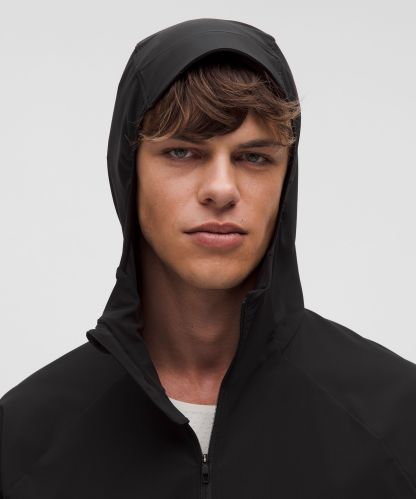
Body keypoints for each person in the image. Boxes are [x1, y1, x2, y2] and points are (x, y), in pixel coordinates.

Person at [1, 17, 415, 499]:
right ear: (129, 173)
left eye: (254, 157)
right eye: (182, 152)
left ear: (286, 179)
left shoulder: (398, 422)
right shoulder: (24, 441)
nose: (221, 189)